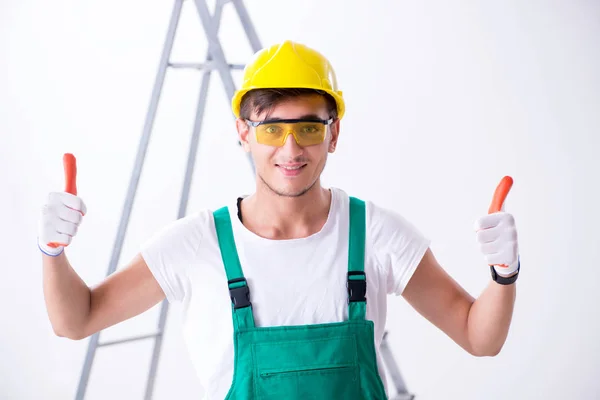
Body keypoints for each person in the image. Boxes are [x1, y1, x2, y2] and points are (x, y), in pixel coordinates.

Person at [39, 40, 520, 399]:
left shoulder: (375, 235)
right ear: (243, 134)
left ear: (334, 135)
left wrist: (503, 276)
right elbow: (76, 320)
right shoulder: (196, 244)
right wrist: (53, 253)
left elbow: (480, 337)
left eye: (309, 127)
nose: (291, 149)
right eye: (272, 129)